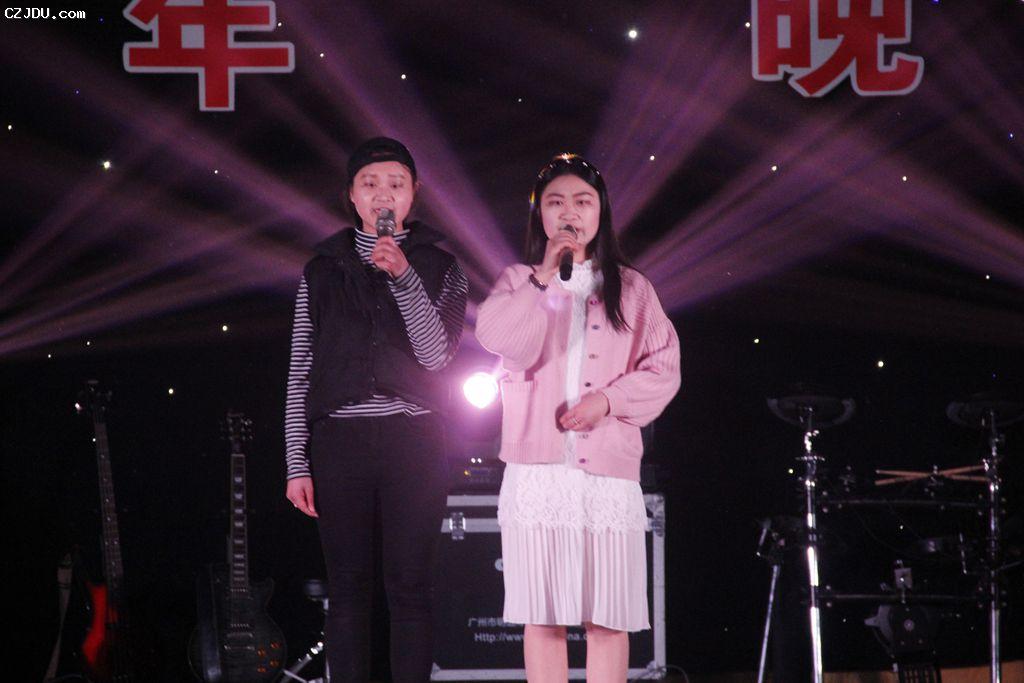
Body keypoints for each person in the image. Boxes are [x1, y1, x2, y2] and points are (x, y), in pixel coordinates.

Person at [475, 153, 680, 682]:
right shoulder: (519, 279)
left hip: (607, 475)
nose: (570, 213)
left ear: (600, 212)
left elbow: (664, 369)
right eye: (556, 203)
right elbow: (497, 338)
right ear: (540, 214)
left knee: (606, 619)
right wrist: (543, 276)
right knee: (543, 618)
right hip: (538, 476)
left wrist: (608, 401)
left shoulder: (632, 288)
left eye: (582, 202)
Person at [284, 137, 468, 683]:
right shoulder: (321, 271)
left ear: (413, 194)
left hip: (414, 441)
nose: (382, 193)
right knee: (347, 590)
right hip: (340, 443)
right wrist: (296, 461)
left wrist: (404, 276)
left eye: (395, 183)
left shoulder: (440, 266)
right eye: (370, 183)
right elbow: (300, 371)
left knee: (410, 587)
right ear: (352, 195)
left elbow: (436, 356)